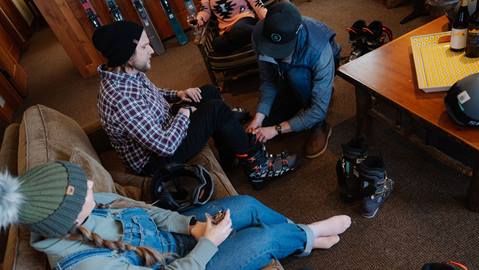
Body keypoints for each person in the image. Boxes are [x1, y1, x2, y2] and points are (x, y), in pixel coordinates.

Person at [0, 162, 352, 270]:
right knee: (262, 239)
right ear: (71, 216)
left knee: (243, 204)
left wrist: (193, 226)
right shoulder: (83, 264)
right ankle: (308, 235)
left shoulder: (90, 204)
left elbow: (151, 213)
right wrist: (207, 245)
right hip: (183, 267)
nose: (92, 183)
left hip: (178, 241)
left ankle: (301, 238)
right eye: (84, 190)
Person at [92, 21, 298, 189]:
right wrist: (184, 112)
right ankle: (258, 169)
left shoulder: (126, 72)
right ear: (127, 56)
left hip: (163, 125)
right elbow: (165, 146)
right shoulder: (121, 98)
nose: (152, 50)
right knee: (216, 110)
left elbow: (153, 94)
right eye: (145, 46)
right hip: (156, 160)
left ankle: (230, 156)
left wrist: (180, 94)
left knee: (207, 92)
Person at [246, 2, 341, 159]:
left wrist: (276, 129)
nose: (275, 55)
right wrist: (259, 116)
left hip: (311, 69)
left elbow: (318, 109)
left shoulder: (319, 51)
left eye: (280, 51)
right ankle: (297, 96)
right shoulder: (259, 36)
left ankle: (320, 124)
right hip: (287, 73)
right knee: (267, 122)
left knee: (298, 77)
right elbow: (268, 80)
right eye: (271, 49)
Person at [191, 0, 267, 54]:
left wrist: (268, 19)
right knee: (217, 44)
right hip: (226, 30)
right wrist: (198, 20)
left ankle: (265, 34)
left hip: (244, 20)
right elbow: (205, 11)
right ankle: (254, 37)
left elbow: (256, 3)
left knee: (239, 29)